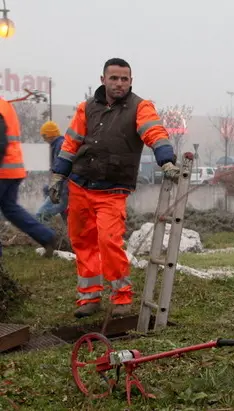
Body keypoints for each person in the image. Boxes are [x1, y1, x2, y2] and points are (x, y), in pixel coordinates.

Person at [48, 58, 180, 319]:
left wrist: (166, 160)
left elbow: (154, 131)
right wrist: (57, 175)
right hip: (80, 184)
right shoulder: (86, 108)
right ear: (103, 80)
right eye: (114, 78)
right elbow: (71, 143)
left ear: (131, 81)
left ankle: (122, 297)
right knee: (82, 242)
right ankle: (89, 297)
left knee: (109, 242)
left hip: (112, 190)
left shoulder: (140, 107)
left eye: (124, 79)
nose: (119, 83)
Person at [0, 97, 58, 260]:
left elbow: (0, 142)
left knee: (10, 208)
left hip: (3, 170)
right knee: (10, 208)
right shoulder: (4, 105)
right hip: (14, 168)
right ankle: (46, 236)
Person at [36, 121, 68, 224]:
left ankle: (47, 236)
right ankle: (65, 227)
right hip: (63, 188)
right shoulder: (58, 144)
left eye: (44, 136)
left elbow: (63, 170)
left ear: (49, 135)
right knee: (46, 189)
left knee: (41, 215)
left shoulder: (60, 145)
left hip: (63, 189)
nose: (43, 139)